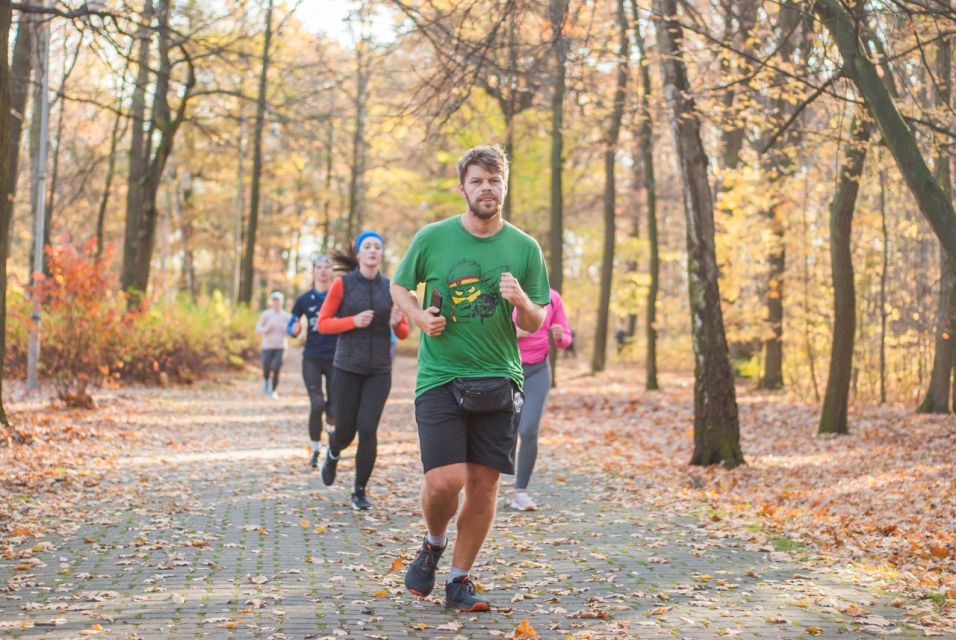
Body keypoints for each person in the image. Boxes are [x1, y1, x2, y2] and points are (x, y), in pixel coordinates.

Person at [390, 145, 550, 612]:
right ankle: (433, 542)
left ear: (505, 187)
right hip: (440, 377)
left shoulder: (524, 248)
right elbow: (399, 286)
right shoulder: (433, 237)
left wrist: (521, 299)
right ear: (463, 188)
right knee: (445, 482)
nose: (487, 188)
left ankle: (459, 580)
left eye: (494, 180)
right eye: (478, 180)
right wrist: (418, 316)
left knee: (483, 486)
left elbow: (536, 321)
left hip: (500, 377)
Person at [318, 231, 409, 511]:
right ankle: (333, 452)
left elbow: (404, 331)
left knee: (368, 429)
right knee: (345, 431)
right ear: (359, 254)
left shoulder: (392, 287)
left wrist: (396, 323)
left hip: (379, 370)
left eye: (377, 246)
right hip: (347, 367)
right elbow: (323, 324)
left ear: (381, 254)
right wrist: (352, 321)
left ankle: (359, 490)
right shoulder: (342, 285)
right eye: (367, 246)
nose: (372, 250)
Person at [511, 288, 573, 511]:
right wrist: (513, 332)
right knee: (501, 430)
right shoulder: (505, 293)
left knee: (528, 430)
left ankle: (520, 492)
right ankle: (484, 489)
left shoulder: (552, 298)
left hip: (537, 371)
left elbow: (566, 339)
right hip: (505, 370)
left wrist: (559, 336)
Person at [288, 256, 338, 469]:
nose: (323, 271)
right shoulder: (304, 299)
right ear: (314, 271)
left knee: (334, 407)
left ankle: (331, 441)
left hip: (336, 358)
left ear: (331, 272)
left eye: (327, 267)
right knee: (317, 403)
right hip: (312, 358)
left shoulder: (339, 297)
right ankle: (315, 450)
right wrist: (294, 329)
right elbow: (291, 324)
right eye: (319, 267)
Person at [256, 291, 292, 399]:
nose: (276, 302)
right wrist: (266, 328)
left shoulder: (286, 316)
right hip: (267, 346)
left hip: (281, 346)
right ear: (271, 302)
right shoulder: (266, 314)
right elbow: (258, 328)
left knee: (276, 368)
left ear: (281, 302)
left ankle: (274, 390)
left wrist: (286, 329)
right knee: (266, 367)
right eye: (274, 300)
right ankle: (266, 381)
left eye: (278, 300)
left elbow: (292, 332)